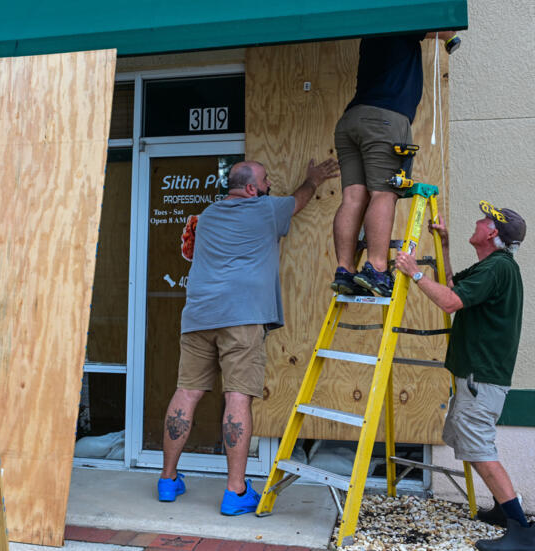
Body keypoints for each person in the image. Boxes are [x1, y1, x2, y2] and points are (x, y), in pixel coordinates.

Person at [158, 158, 340, 516]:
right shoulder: (267, 209)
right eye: (266, 179)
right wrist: (312, 179)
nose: (271, 183)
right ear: (253, 189)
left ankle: (167, 480)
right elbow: (300, 199)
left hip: (198, 315)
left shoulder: (207, 215)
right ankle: (235, 491)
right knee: (238, 398)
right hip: (242, 317)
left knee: (187, 391)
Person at [393, 201, 535, 551]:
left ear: (492, 232)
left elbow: (449, 302)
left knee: (481, 449)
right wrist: (442, 246)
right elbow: (454, 287)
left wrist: (414, 272)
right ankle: (507, 512)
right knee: (471, 445)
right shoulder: (493, 266)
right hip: (476, 376)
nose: (477, 220)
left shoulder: (498, 268)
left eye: (485, 219)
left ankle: (522, 532)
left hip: (482, 378)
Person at [331, 30, 459, 298]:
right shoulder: (404, 17)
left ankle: (344, 269)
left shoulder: (372, 26)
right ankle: (376, 268)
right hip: (385, 120)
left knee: (353, 196)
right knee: (383, 193)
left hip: (351, 119)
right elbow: (446, 26)